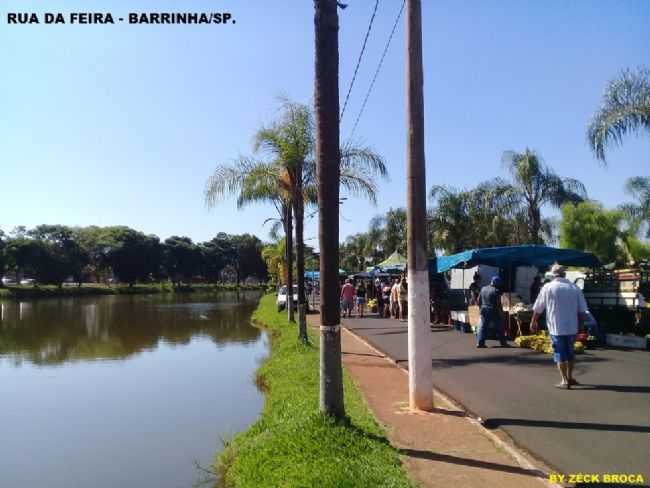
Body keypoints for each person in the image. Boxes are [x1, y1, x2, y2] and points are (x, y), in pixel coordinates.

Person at [531, 264, 587, 389]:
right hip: (572, 327)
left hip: (556, 328)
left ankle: (564, 380)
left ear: (553, 275)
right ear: (564, 274)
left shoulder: (548, 287)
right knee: (570, 353)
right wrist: (581, 326)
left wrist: (533, 321)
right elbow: (582, 311)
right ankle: (570, 377)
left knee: (560, 353)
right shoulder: (574, 288)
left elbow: (538, 307)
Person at [476, 276, 509, 348]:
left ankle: (480, 343)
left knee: (483, 327)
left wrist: (480, 307)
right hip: (493, 310)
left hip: (484, 309)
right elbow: (498, 304)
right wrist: (501, 312)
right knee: (500, 327)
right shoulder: (496, 290)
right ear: (497, 283)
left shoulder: (483, 288)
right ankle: (503, 343)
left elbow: (478, 300)